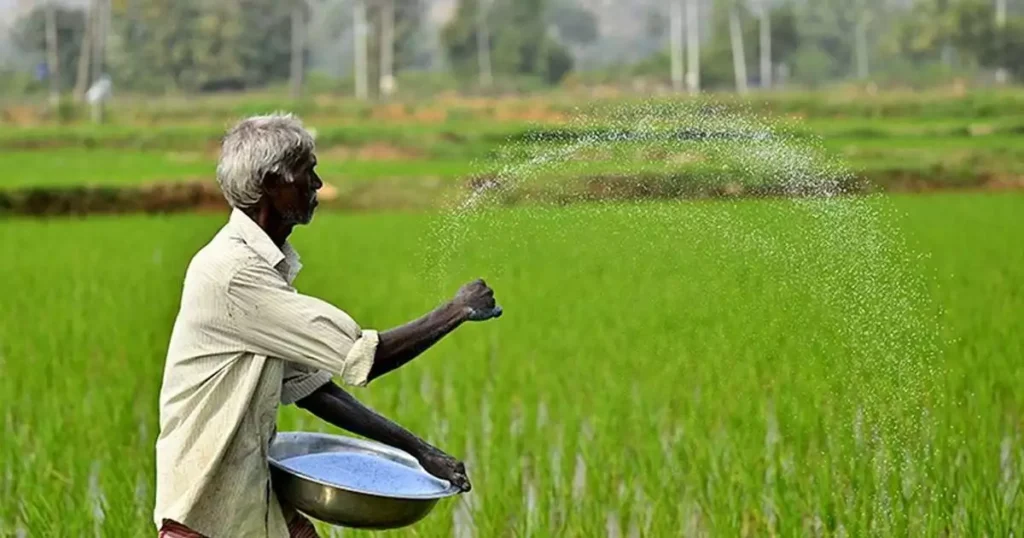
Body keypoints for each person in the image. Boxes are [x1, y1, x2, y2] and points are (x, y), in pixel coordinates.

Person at [153, 113, 502, 538]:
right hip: (207, 515)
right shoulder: (233, 274)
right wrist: (457, 310)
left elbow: (315, 390)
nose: (317, 184)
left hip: (253, 503)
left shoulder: (260, 271)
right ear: (270, 184)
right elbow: (363, 358)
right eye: (307, 173)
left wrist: (420, 452)